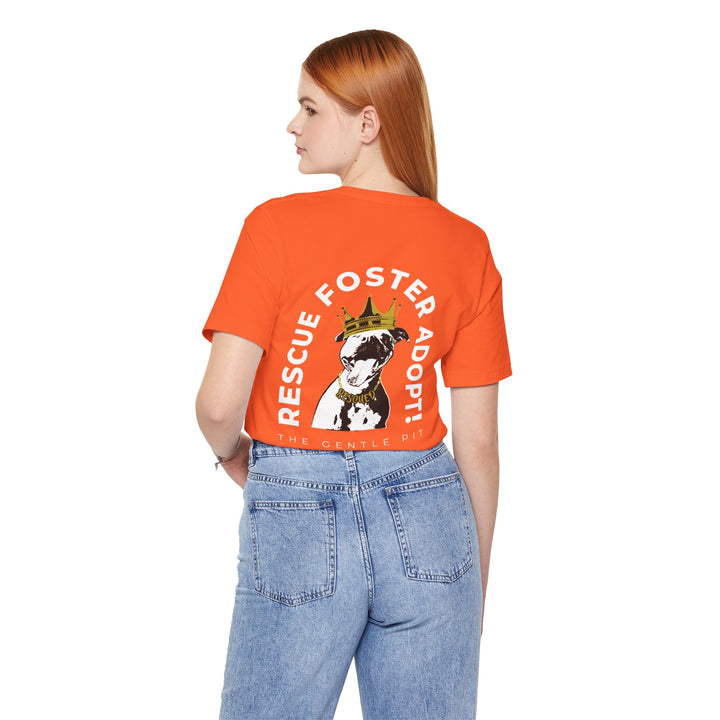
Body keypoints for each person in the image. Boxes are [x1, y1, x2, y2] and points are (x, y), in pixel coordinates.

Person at [196, 29, 511, 720]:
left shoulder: (274, 227)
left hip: (297, 509)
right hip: (431, 519)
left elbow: (218, 405)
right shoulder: (467, 244)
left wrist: (235, 456)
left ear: (368, 123)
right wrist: (473, 584)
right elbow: (480, 444)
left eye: (310, 109)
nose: (293, 125)